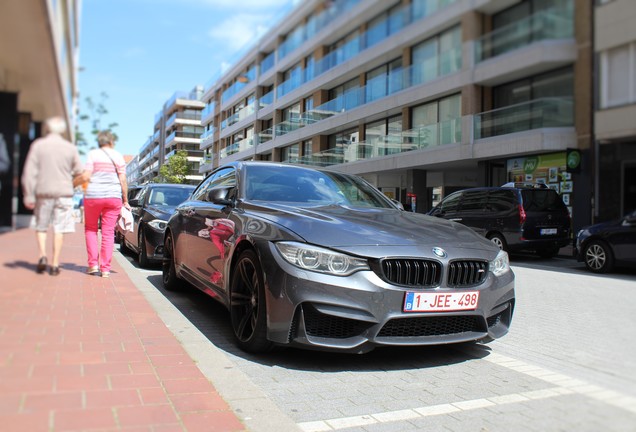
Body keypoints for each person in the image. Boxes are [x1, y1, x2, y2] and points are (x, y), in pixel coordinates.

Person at [21, 116, 83, 276]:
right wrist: (70, 183)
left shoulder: (38, 145)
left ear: (47, 128)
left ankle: (42, 255)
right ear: (62, 130)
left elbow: (29, 173)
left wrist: (28, 195)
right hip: (63, 193)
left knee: (41, 226)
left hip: (43, 192)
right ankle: (55, 263)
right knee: (59, 228)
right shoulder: (70, 148)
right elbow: (79, 171)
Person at [75, 131, 130, 278]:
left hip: (93, 196)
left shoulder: (93, 154)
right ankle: (105, 269)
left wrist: (72, 184)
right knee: (108, 232)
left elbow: (86, 176)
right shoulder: (118, 156)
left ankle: (93, 265)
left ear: (99, 143)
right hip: (113, 197)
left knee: (91, 229)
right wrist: (125, 200)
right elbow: (123, 180)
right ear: (111, 142)